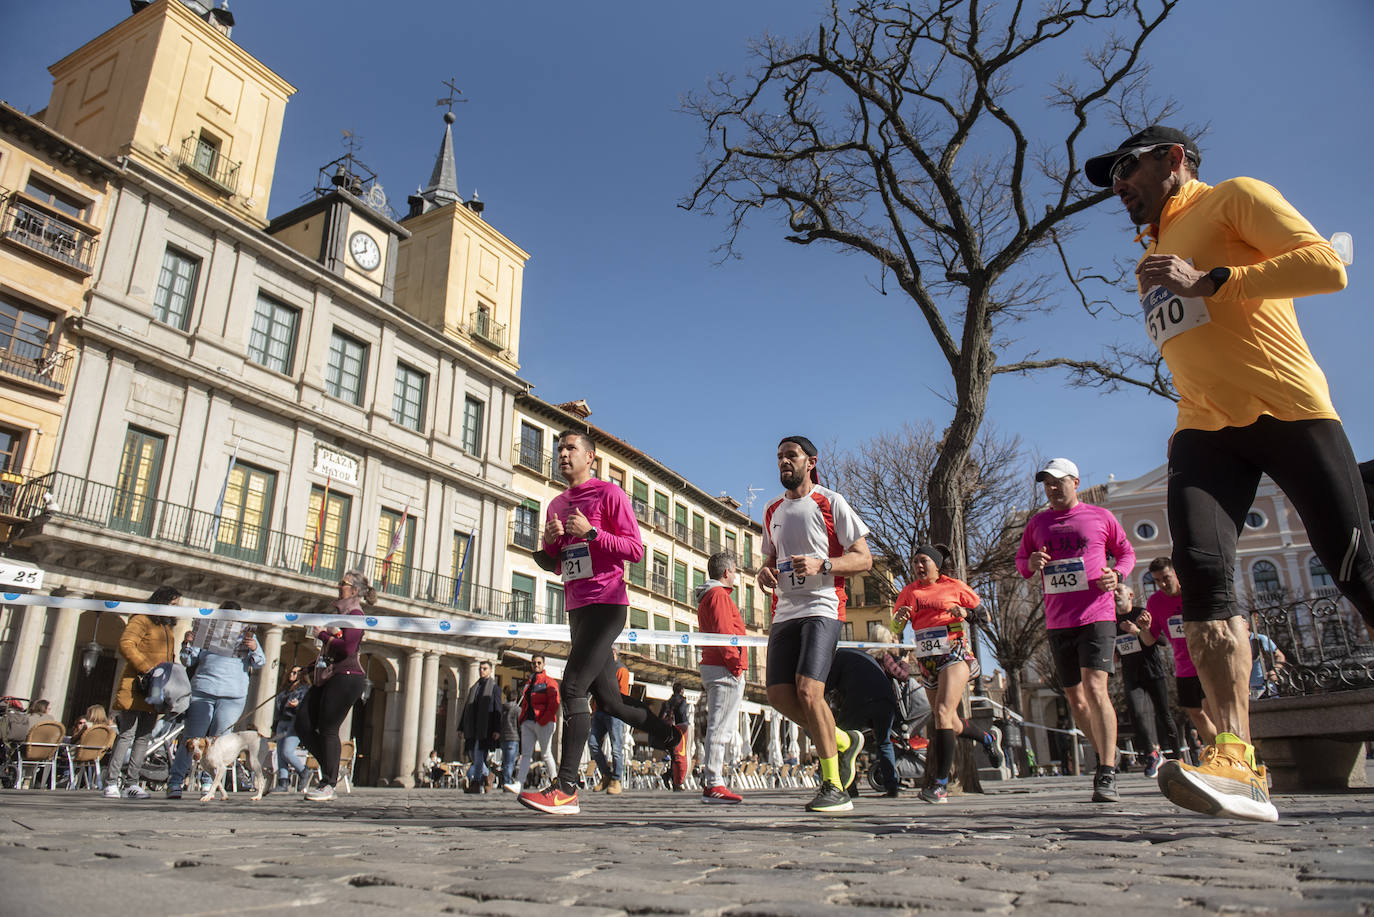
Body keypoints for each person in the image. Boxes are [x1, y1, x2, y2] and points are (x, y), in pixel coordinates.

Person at [1087, 124, 1373, 821]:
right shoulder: (1150, 255)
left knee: (1357, 569)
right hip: (1204, 429)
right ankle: (1238, 760)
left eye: (1125, 168)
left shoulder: (1236, 200)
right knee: (1203, 579)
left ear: (1172, 160)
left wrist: (1212, 278)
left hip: (1290, 410)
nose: (1117, 186)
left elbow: (1327, 266)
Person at [518, 431, 681, 815]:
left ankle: (567, 789)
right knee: (610, 700)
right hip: (576, 607)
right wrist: (550, 543)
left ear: (590, 458)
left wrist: (592, 533)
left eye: (570, 448)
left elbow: (636, 550)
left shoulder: (610, 495)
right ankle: (672, 737)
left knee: (573, 688)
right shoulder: (556, 503)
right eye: (559, 449)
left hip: (608, 604)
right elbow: (557, 563)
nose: (562, 454)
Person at [759, 435, 873, 813]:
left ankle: (833, 786)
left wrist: (824, 565)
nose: (783, 463)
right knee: (778, 695)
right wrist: (763, 573)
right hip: (785, 610)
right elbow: (769, 560)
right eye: (779, 457)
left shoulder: (830, 501)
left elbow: (863, 560)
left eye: (791, 456)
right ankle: (841, 740)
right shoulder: (771, 509)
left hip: (823, 606)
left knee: (809, 690)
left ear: (811, 462)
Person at [1015, 458, 1135, 803]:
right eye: (1047, 483)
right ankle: (1104, 756)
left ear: (1075, 482)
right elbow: (1021, 562)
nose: (1052, 488)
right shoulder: (1037, 523)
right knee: (1075, 699)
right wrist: (1032, 563)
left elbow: (1125, 553)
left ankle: (1107, 770)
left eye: (1058, 482)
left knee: (1097, 688)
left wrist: (1118, 574)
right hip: (1058, 620)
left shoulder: (1100, 517)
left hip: (1097, 614)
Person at [893, 543, 988, 803]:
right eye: (915, 562)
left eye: (924, 561)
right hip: (927, 661)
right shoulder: (909, 592)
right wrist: (899, 619)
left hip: (954, 653)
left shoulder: (954, 586)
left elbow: (984, 617)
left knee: (944, 714)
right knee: (949, 722)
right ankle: (988, 738)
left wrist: (965, 613)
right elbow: (895, 624)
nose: (919, 566)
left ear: (936, 565)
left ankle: (940, 785)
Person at [166, 602, 265, 799]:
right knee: (192, 738)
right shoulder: (207, 633)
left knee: (220, 741)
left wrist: (254, 648)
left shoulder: (246, 636)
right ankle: (175, 781)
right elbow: (188, 660)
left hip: (233, 694)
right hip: (204, 689)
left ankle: (209, 782)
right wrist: (188, 643)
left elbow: (260, 661)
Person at [294, 569, 372, 802]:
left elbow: (347, 648)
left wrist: (323, 636)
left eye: (343, 583)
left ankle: (328, 782)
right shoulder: (341, 614)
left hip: (348, 677)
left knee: (328, 728)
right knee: (303, 723)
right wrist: (310, 667)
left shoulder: (355, 614)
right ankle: (332, 767)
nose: (339, 586)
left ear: (354, 590)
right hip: (330, 674)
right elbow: (332, 651)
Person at [104, 585, 181, 799]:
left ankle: (132, 782)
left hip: (157, 689)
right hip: (137, 685)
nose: (176, 609)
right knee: (126, 734)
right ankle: (111, 782)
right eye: (173, 604)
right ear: (161, 602)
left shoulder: (167, 628)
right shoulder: (142, 619)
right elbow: (126, 644)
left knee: (144, 737)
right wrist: (147, 668)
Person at [1145, 558, 1219, 755]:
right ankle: (1216, 750)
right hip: (1183, 665)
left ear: (1176, 574)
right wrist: (1142, 629)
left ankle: (1226, 751)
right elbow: (1149, 639)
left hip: (1208, 661)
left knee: (1211, 708)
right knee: (1195, 711)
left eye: (1166, 578)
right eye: (1157, 580)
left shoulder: (1192, 593)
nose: (1163, 584)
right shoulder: (1155, 602)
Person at [696, 550, 748, 804]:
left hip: (718, 665)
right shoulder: (718, 595)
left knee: (721, 725)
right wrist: (735, 664)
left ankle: (714, 781)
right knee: (720, 726)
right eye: (735, 571)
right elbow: (724, 632)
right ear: (727, 572)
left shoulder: (712, 595)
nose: (736, 576)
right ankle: (714, 782)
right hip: (724, 667)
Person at [1113, 582, 1178, 778]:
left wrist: (1137, 631)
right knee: (1135, 712)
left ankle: (1177, 757)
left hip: (1152, 670)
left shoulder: (1143, 613)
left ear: (1131, 594)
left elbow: (1163, 641)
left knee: (1163, 714)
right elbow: (1116, 653)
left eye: (1119, 590)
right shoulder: (1112, 621)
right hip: (1130, 673)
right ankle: (1151, 753)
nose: (1116, 594)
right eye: (1113, 591)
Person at [824, 648, 901, 797]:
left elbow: (827, 686)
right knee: (884, 742)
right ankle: (892, 786)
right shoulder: (860, 656)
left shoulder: (836, 659)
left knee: (844, 741)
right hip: (886, 699)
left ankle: (848, 787)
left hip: (859, 699)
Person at [509, 653, 559, 793]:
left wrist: (544, 720)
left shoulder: (550, 682)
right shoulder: (529, 682)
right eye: (533, 663)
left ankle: (555, 781)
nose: (536, 665)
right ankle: (519, 783)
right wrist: (522, 719)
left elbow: (554, 704)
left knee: (546, 753)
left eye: (538, 663)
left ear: (543, 664)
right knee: (525, 754)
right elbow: (526, 702)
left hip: (543, 722)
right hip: (528, 721)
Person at [587, 647, 629, 795]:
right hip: (599, 711)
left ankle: (616, 780)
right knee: (592, 743)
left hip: (614, 713)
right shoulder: (599, 668)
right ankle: (606, 774)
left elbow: (623, 695)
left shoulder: (621, 670)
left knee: (616, 747)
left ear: (615, 653)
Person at [460, 660, 501, 793]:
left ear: (490, 671)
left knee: (478, 754)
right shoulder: (474, 688)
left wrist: (497, 729)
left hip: (486, 728)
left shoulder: (494, 688)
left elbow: (497, 709)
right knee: (473, 754)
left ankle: (476, 783)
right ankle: (488, 775)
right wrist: (461, 727)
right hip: (473, 727)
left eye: (484, 669)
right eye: (480, 669)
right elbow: (467, 708)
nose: (481, 671)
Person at [272, 664, 311, 791]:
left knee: (286, 752)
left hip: (294, 723)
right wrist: (274, 727)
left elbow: (307, 707)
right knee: (279, 753)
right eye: (291, 672)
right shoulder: (285, 690)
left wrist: (297, 706)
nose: (292, 674)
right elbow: (278, 710)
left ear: (301, 675)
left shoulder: (305, 689)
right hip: (282, 723)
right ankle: (283, 782)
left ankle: (304, 771)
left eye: (295, 673)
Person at [661, 682, 691, 791]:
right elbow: (682, 713)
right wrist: (685, 724)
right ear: (681, 690)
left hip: (668, 730)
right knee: (679, 756)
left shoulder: (667, 702)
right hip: (679, 729)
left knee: (674, 756)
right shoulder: (682, 700)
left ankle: (671, 777)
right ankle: (675, 781)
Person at [1248, 626, 1287, 699]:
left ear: (1247, 624)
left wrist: (1274, 671)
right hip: (1245, 690)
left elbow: (1280, 656)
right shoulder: (1233, 642)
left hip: (1265, 687)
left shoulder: (1261, 639)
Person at [498, 686, 520, 789]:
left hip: (503, 738)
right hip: (513, 738)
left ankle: (505, 780)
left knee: (505, 761)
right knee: (510, 762)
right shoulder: (517, 709)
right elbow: (520, 725)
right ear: (516, 698)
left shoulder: (502, 708)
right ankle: (507, 782)